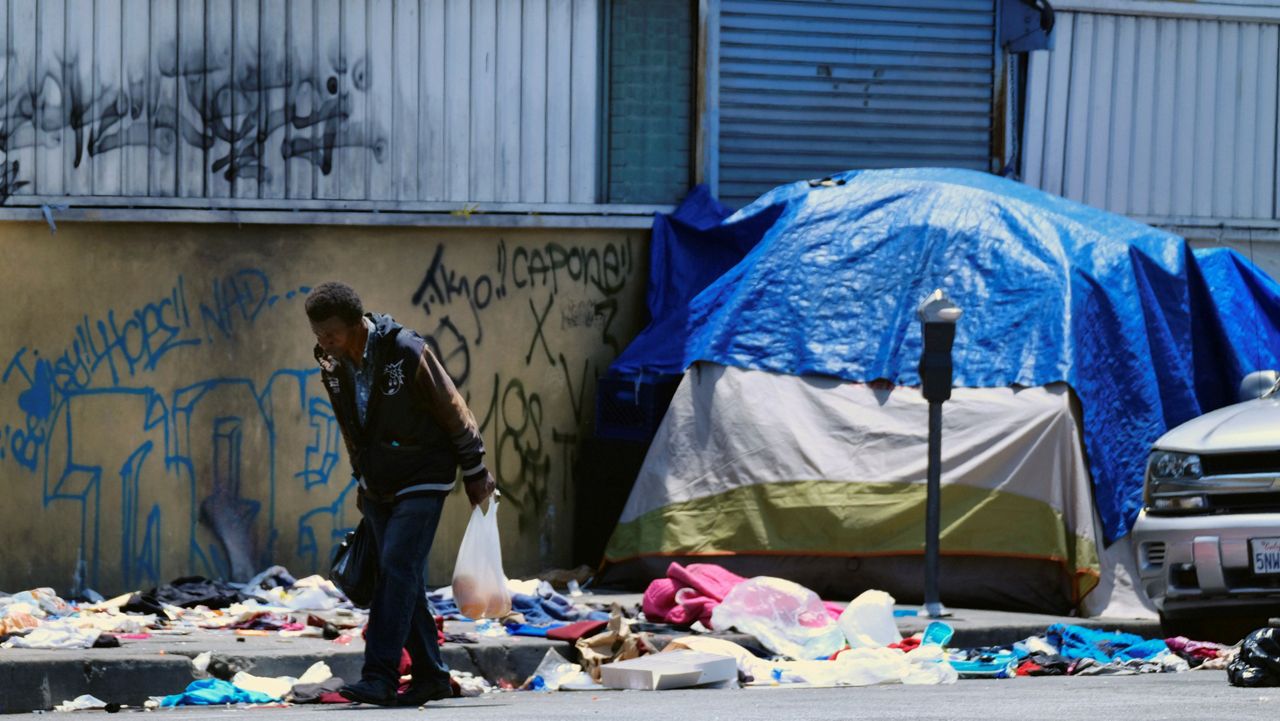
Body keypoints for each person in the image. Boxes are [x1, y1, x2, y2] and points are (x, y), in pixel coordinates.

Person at [305, 281, 495, 706]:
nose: (325, 342)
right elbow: (350, 427)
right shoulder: (330, 364)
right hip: (378, 482)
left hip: (424, 473)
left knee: (396, 566)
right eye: (318, 335)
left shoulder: (405, 350)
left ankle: (380, 675)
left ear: (356, 324)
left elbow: (452, 407)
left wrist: (476, 469)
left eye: (331, 333)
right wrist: (361, 478)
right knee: (399, 576)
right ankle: (430, 675)